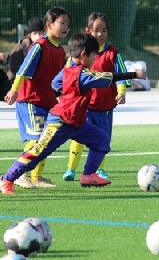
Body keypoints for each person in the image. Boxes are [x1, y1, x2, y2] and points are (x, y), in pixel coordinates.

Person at [0, 33, 145, 195]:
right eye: (93, 56)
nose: (95, 60)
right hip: (59, 122)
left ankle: (88, 175)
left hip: (78, 123)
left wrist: (67, 94)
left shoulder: (67, 70)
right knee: (38, 151)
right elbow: (106, 77)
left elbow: (55, 84)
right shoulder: (83, 74)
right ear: (83, 54)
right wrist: (134, 74)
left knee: (101, 140)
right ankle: (7, 179)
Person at [4, 7, 71, 189]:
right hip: (30, 100)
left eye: (68, 24)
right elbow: (23, 70)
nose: (66, 27)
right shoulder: (39, 46)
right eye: (62, 23)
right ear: (49, 25)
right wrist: (14, 90)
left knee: (46, 139)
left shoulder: (60, 51)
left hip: (47, 102)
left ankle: (36, 176)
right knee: (35, 139)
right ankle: (18, 174)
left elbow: (58, 80)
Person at [62, 13, 131, 181]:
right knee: (78, 137)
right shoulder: (78, 54)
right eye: (96, 30)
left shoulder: (113, 53)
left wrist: (121, 92)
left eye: (104, 30)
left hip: (105, 108)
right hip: (84, 107)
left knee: (102, 139)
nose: (100, 34)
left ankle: (99, 169)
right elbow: (67, 76)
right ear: (87, 31)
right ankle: (71, 168)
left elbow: (121, 76)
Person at [6, 17, 45, 81]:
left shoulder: (47, 46)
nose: (38, 36)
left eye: (40, 33)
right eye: (35, 33)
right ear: (30, 35)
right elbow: (13, 67)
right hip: (16, 80)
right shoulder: (20, 47)